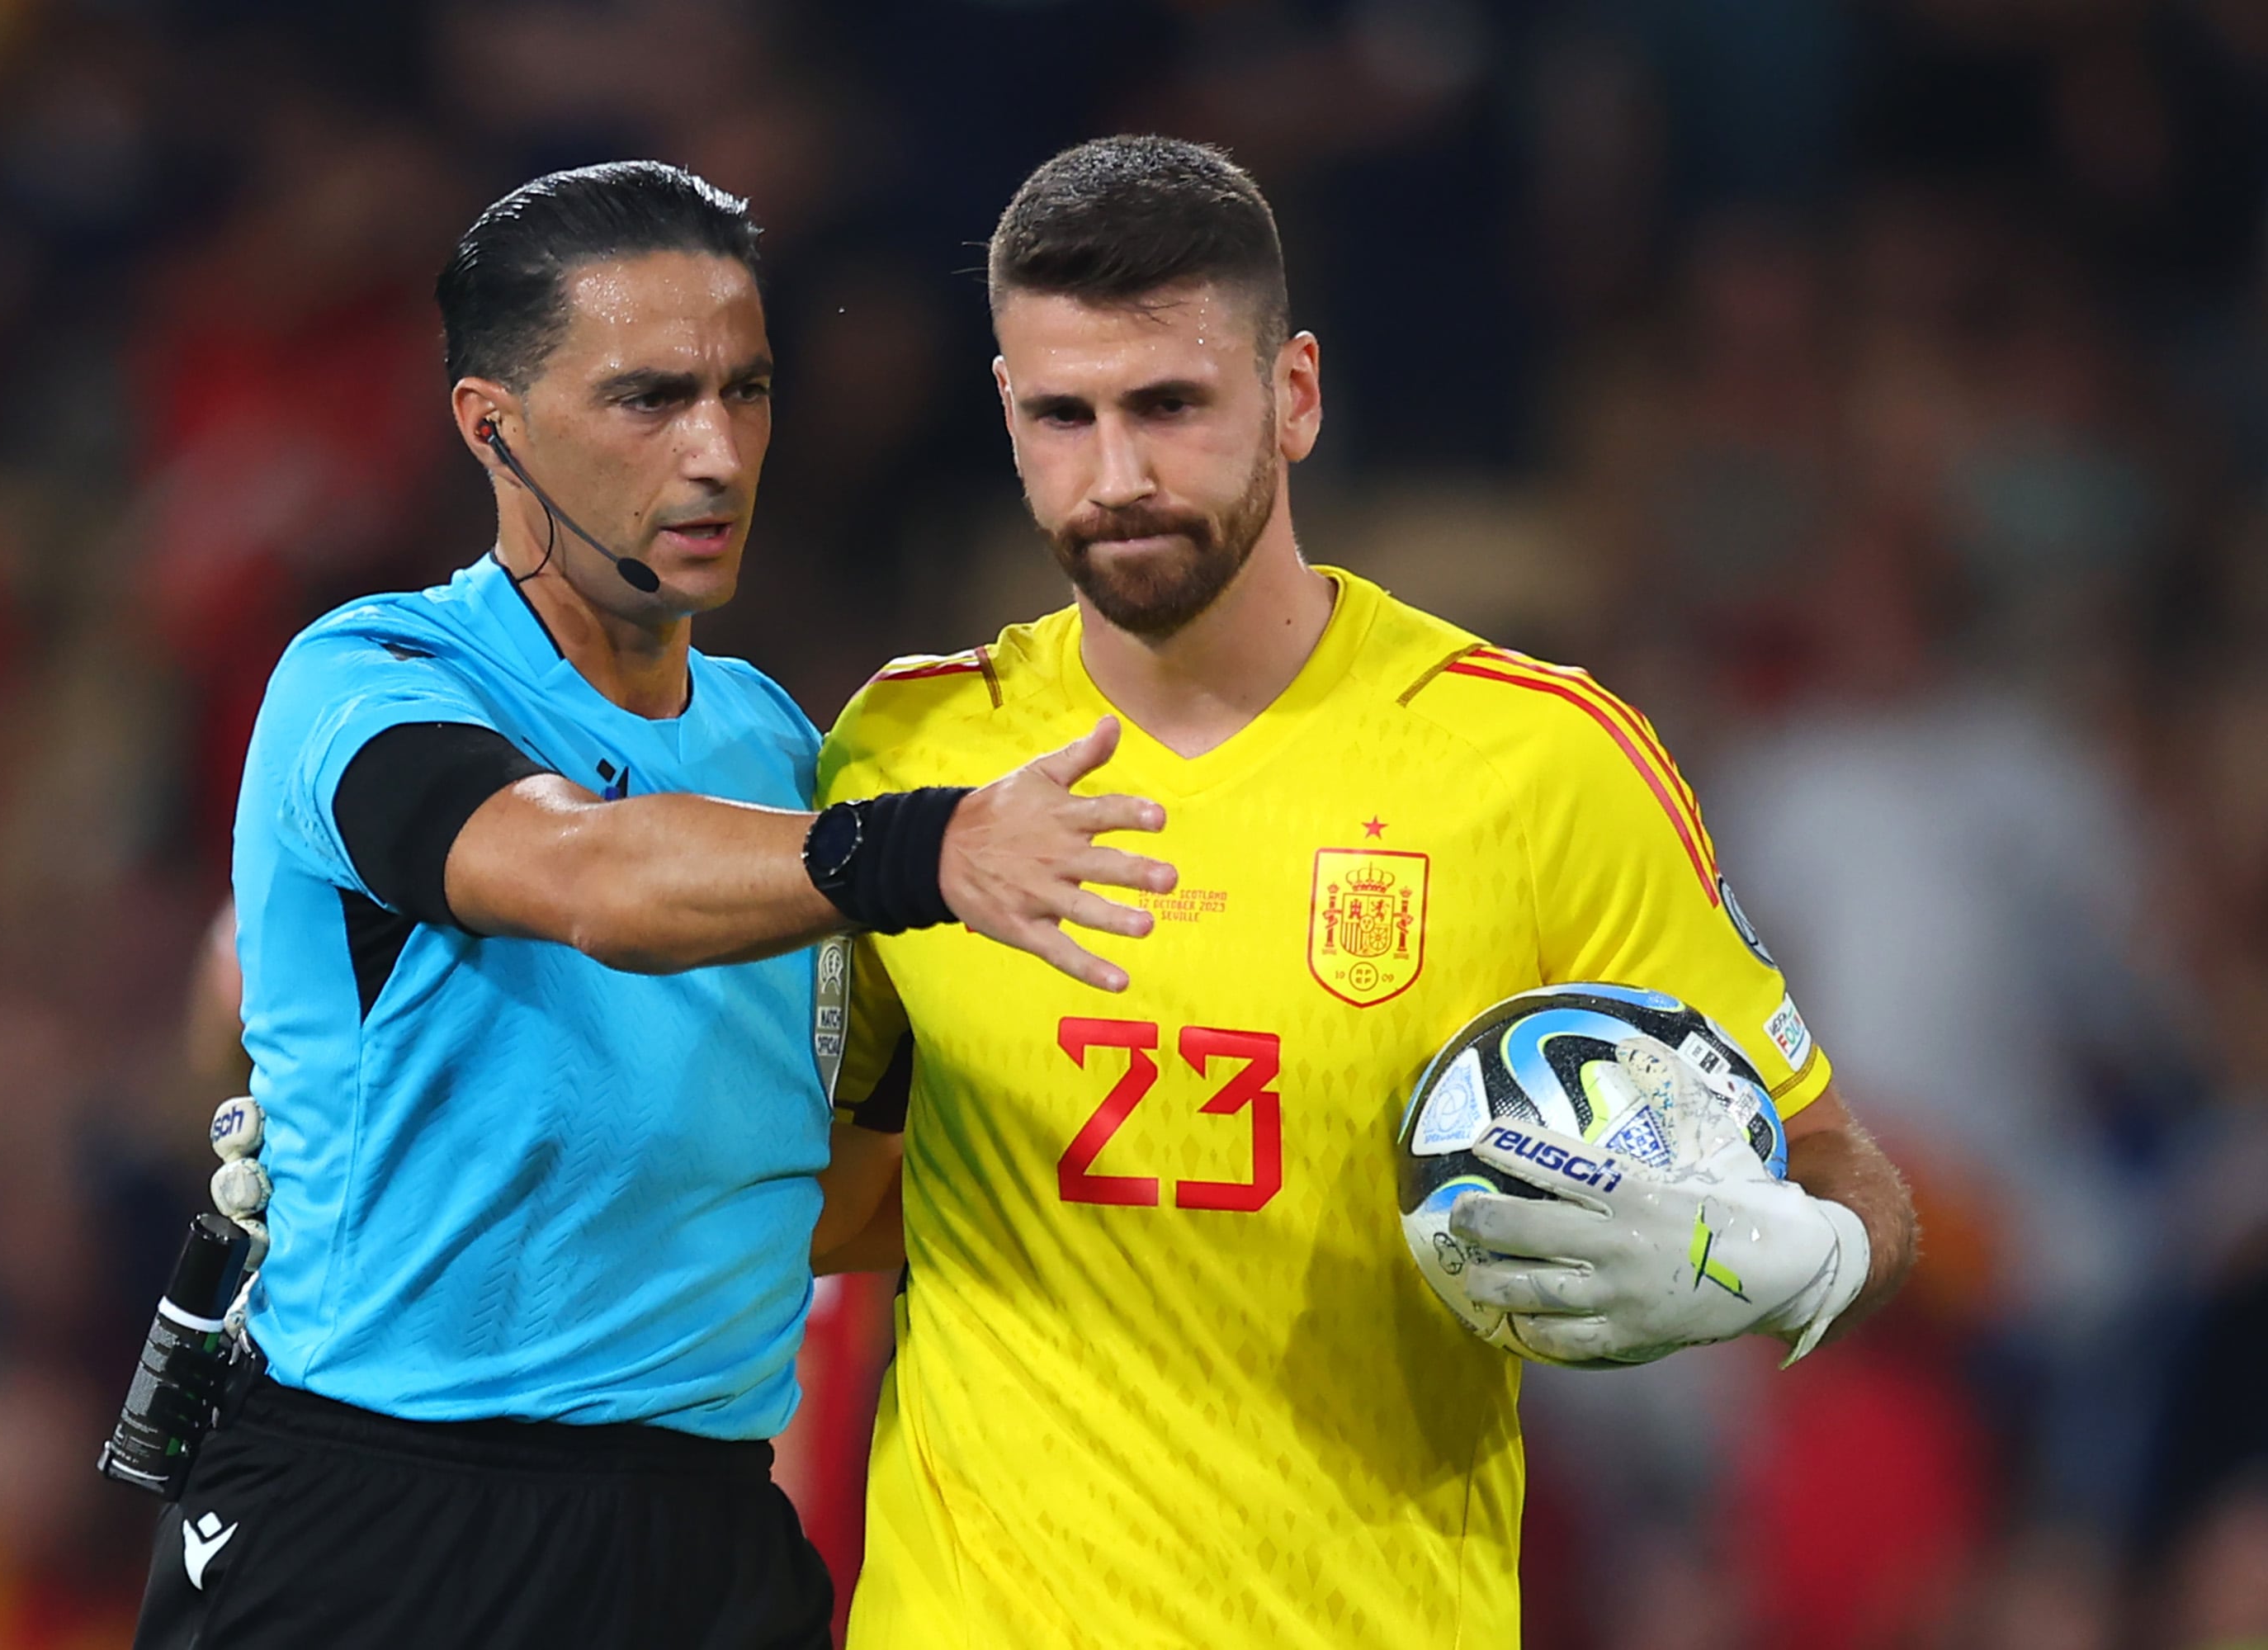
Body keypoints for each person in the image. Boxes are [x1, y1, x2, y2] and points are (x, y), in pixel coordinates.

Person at [810, 136, 1920, 1647]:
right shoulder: (906, 755)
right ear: (1007, 414)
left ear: (1296, 395)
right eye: (1064, 416)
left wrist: (1802, 1256)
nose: (1117, 474)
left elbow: (1842, 1164)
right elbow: (825, 1202)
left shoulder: (1534, 764)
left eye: (1171, 407)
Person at [129, 160, 1175, 1650]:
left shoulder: (785, 753)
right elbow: (579, 873)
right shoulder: (365, 685)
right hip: (379, 1532)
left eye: (746, 392)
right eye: (650, 399)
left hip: (703, 1545)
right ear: (493, 427)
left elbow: (839, 1195)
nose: (719, 453)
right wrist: (928, 850)